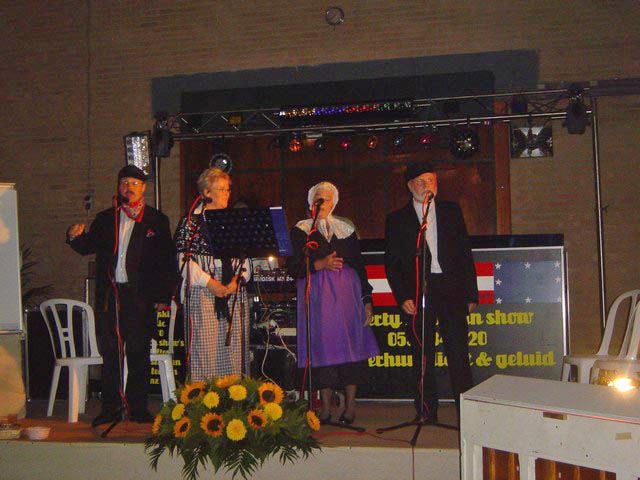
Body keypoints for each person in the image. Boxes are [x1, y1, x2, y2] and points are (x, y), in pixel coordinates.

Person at [67, 165, 177, 426]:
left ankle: (137, 408)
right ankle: (111, 408)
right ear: (119, 187)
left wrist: (163, 295)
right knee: (111, 353)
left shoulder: (156, 220)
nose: (129, 187)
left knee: (138, 352)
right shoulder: (106, 219)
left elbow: (166, 260)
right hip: (111, 296)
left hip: (140, 296)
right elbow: (88, 246)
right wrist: (74, 237)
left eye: (135, 183)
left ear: (144, 188)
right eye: (125, 183)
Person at [384, 162, 477, 423]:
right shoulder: (397, 219)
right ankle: (426, 410)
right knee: (423, 355)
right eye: (421, 181)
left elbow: (464, 252)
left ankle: (467, 414)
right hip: (418, 291)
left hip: (451, 288)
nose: (428, 186)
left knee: (458, 353)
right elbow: (392, 263)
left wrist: (471, 293)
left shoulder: (451, 211)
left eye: (432, 180)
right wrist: (402, 296)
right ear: (410, 186)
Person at [288, 181, 379, 425]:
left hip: (348, 297)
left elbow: (359, 266)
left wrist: (366, 300)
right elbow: (293, 267)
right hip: (318, 299)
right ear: (310, 202)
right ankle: (325, 406)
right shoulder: (301, 230)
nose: (321, 202)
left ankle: (350, 405)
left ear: (334, 203)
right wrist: (320, 264)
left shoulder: (346, 229)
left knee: (351, 348)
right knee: (322, 350)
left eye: (326, 199)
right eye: (317, 198)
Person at [174, 167, 250, 381]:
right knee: (205, 351)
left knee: (234, 350)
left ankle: (235, 395)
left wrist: (237, 281)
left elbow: (246, 259)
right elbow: (183, 260)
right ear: (207, 192)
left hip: (233, 289)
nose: (227, 194)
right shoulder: (191, 222)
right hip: (203, 290)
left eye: (228, 189)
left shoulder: (233, 222)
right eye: (222, 189)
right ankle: (204, 397)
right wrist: (210, 283)